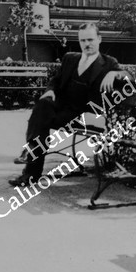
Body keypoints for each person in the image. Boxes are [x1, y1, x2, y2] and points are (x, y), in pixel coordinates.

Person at [9, 22, 128, 186]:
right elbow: (55, 81)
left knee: (40, 121)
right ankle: (33, 153)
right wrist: (50, 91)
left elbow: (131, 76)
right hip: (64, 110)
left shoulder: (108, 63)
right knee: (43, 106)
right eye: (83, 40)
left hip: (86, 116)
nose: (87, 44)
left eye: (91, 39)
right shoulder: (70, 58)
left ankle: (31, 162)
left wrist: (116, 73)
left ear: (99, 39)